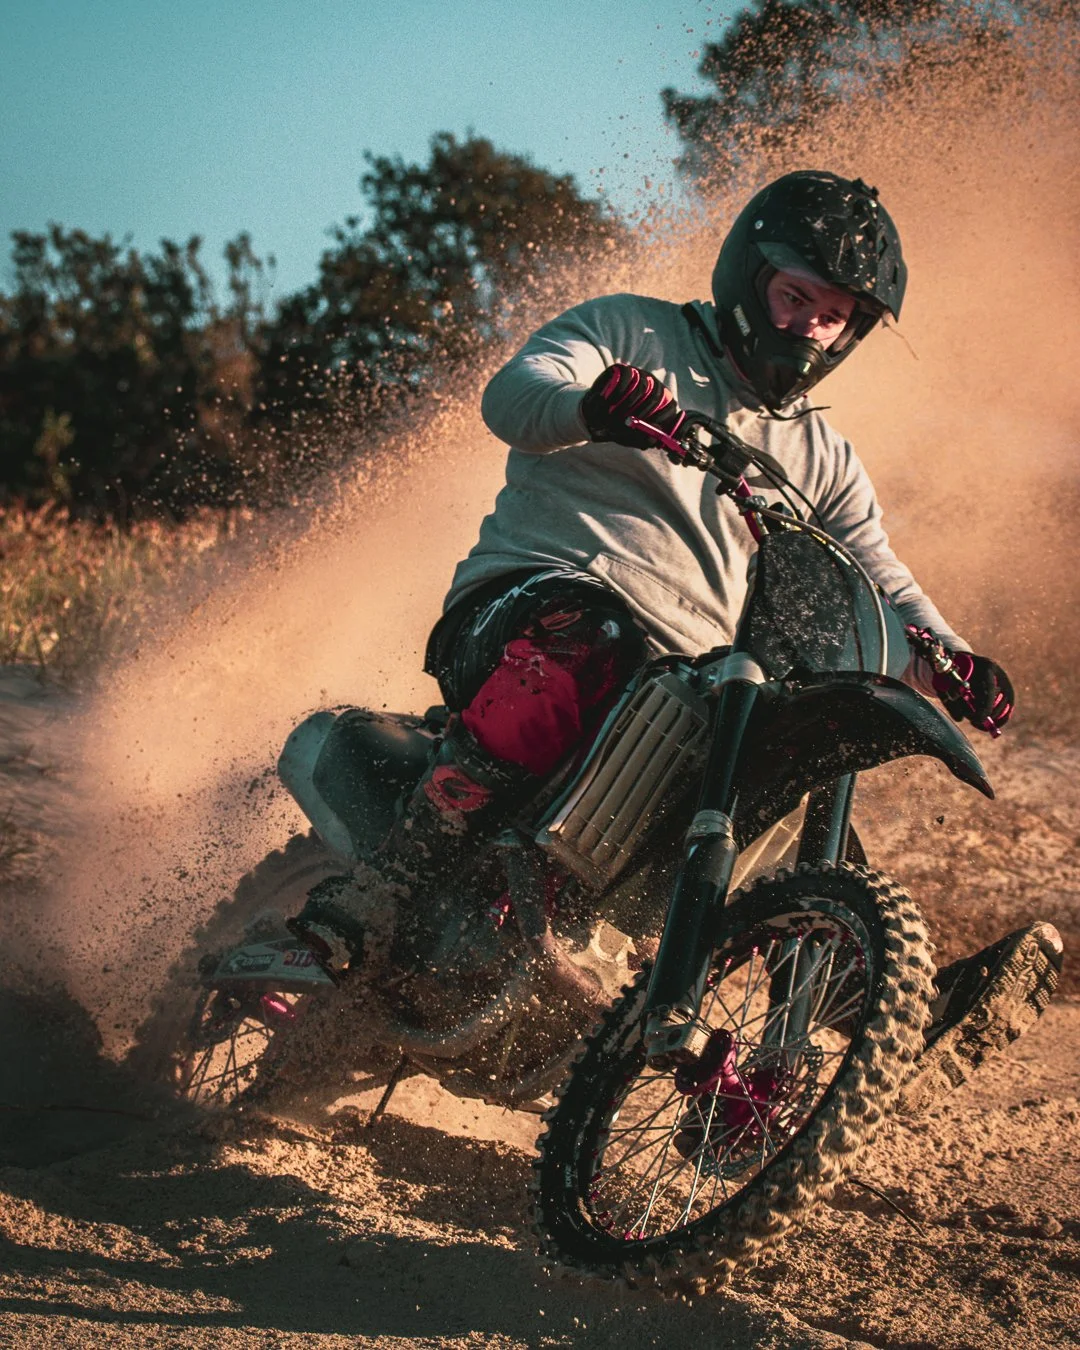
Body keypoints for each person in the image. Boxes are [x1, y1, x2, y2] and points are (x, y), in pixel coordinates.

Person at [291, 170, 1061, 1085]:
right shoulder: (632, 331)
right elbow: (516, 394)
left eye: (834, 315)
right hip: (531, 607)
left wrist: (951, 656)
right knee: (594, 638)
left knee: (809, 748)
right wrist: (598, 404)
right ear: (750, 275)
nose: (807, 327)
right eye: (794, 297)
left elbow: (878, 574)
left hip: (697, 683)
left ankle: (867, 1008)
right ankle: (382, 891)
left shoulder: (824, 457)